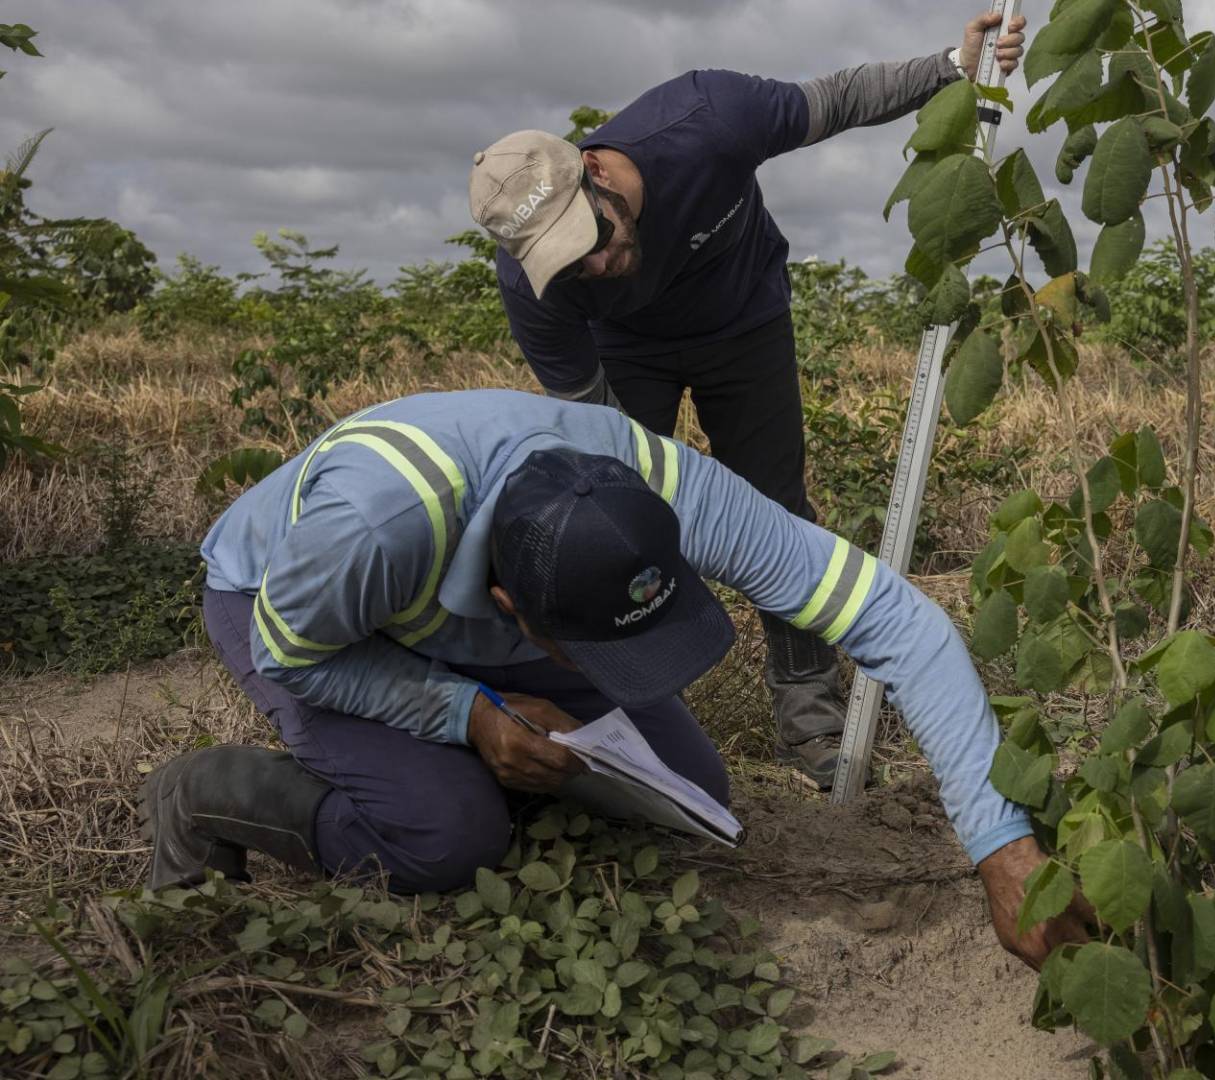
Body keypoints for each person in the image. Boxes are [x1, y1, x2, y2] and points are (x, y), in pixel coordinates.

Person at [141, 389, 1087, 969]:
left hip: (468, 613)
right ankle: (203, 795)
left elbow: (897, 620)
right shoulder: (377, 525)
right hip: (300, 616)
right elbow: (290, 652)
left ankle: (488, 764)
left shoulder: (658, 489)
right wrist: (468, 711)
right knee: (447, 841)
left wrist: (1003, 850)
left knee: (690, 794)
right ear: (509, 607)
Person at [466, 11, 1027, 787]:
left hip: (744, 322)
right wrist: (644, 508)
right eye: (566, 261)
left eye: (590, 237)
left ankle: (808, 710)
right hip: (627, 353)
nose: (593, 264)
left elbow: (839, 100)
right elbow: (593, 430)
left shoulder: (707, 121)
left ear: (595, 170)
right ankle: (632, 704)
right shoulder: (536, 291)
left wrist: (950, 64)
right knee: (609, 516)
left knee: (778, 507)